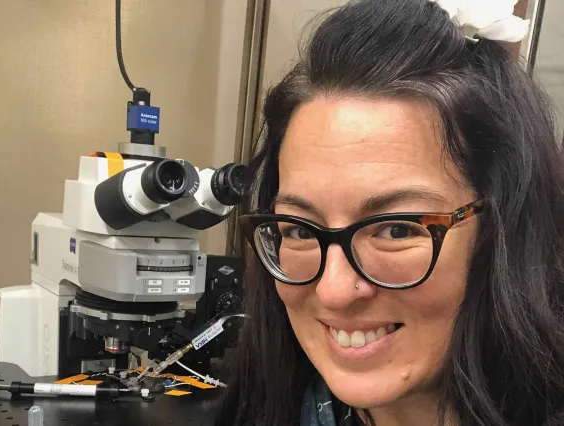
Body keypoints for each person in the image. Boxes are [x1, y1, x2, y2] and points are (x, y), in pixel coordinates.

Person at [214, 0, 564, 425]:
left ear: (506, 230)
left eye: (397, 230)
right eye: (301, 231)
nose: (333, 291)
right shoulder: (271, 408)